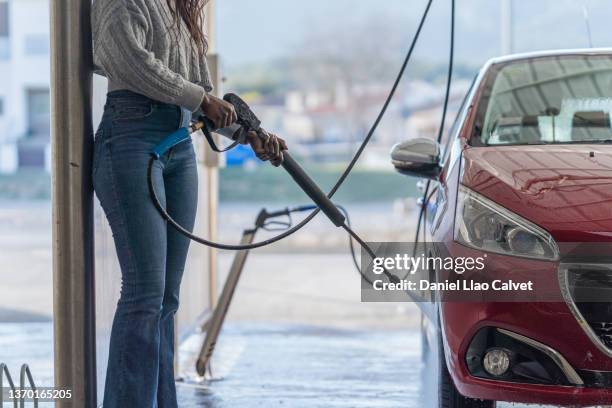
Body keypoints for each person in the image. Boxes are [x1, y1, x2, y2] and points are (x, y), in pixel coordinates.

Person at [91, 0, 286, 406]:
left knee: (166, 298)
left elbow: (206, 99)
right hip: (131, 137)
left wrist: (250, 133)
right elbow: (126, 58)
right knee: (145, 293)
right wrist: (200, 98)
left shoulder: (175, 9)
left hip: (179, 145)